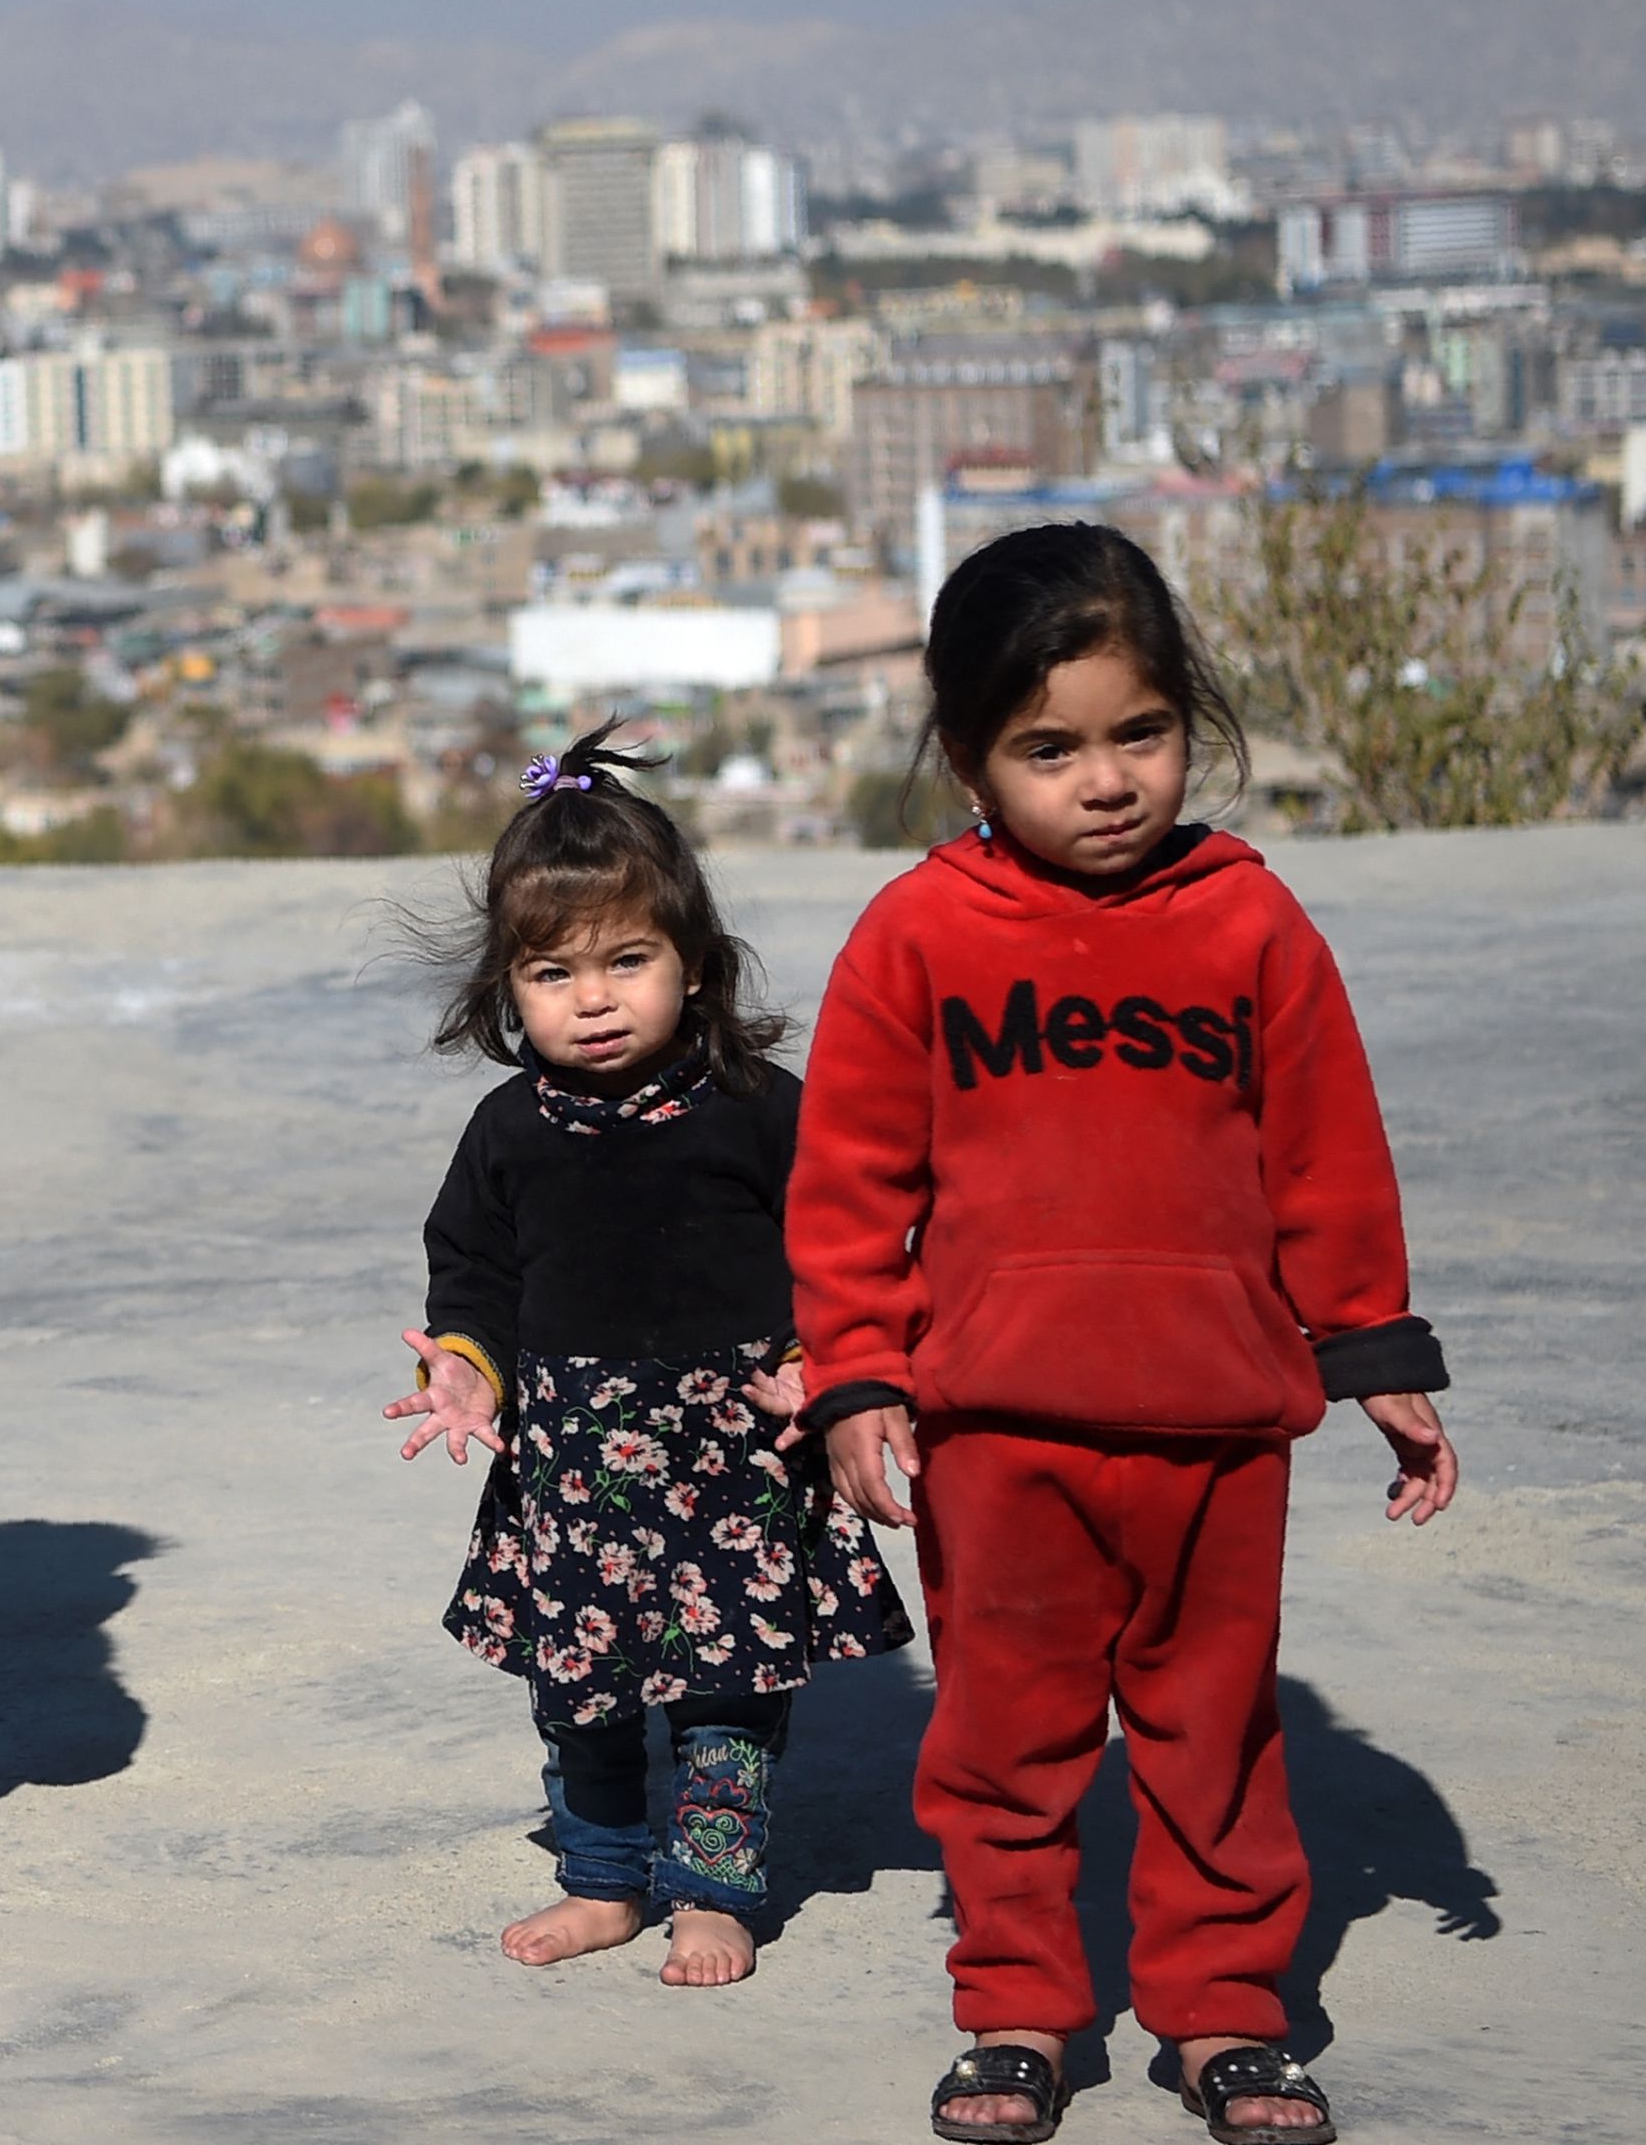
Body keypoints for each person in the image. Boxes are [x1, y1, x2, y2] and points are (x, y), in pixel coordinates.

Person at [787, 523, 1459, 2145]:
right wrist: (857, 1375)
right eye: (1050, 748)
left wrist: (1375, 1355)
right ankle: (1017, 2007)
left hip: (1220, 1426)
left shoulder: (1249, 923)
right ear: (969, 756)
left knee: (1211, 1737)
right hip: (998, 1432)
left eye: (1138, 734)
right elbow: (848, 1179)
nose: (1105, 781)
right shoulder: (918, 937)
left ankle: (1227, 2017)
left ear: (1187, 720)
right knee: (1005, 1742)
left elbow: (1327, 1154)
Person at [386, 725, 913, 1989]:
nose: (596, 997)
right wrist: (465, 1363)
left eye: (629, 959)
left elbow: (836, 1242)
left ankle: (716, 1890)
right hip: (575, 1468)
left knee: (727, 1692)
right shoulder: (508, 1129)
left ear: (695, 961)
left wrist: (823, 1355)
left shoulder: (758, 1105)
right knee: (583, 1693)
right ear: (507, 990)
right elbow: (473, 1270)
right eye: (554, 972)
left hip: (735, 1458)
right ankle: (603, 1875)